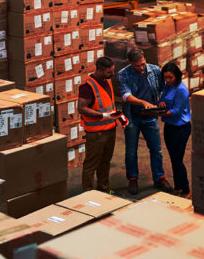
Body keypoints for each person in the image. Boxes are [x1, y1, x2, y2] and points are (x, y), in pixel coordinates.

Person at [118, 48, 172, 195]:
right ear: (130, 63)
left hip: (150, 117)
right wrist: (143, 103)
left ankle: (159, 177)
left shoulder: (155, 70)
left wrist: (162, 102)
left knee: (156, 149)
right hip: (132, 117)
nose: (141, 68)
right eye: (137, 66)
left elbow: (165, 88)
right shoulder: (124, 74)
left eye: (143, 64)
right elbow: (125, 95)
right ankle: (133, 178)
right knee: (131, 151)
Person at [78, 56, 125, 192]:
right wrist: (103, 115)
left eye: (113, 71)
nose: (112, 74)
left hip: (110, 129)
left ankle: (103, 189)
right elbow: (82, 108)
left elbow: (108, 104)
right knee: (91, 163)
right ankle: (87, 192)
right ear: (99, 71)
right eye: (109, 72)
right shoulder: (88, 86)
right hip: (96, 133)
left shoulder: (107, 80)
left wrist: (119, 117)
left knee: (105, 162)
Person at [158, 62, 191, 198]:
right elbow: (163, 100)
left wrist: (165, 112)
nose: (168, 80)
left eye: (170, 77)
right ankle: (178, 187)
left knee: (178, 160)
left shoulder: (181, 89)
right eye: (165, 77)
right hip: (169, 126)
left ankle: (186, 189)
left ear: (177, 76)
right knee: (173, 159)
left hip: (180, 128)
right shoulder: (167, 86)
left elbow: (177, 110)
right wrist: (160, 105)